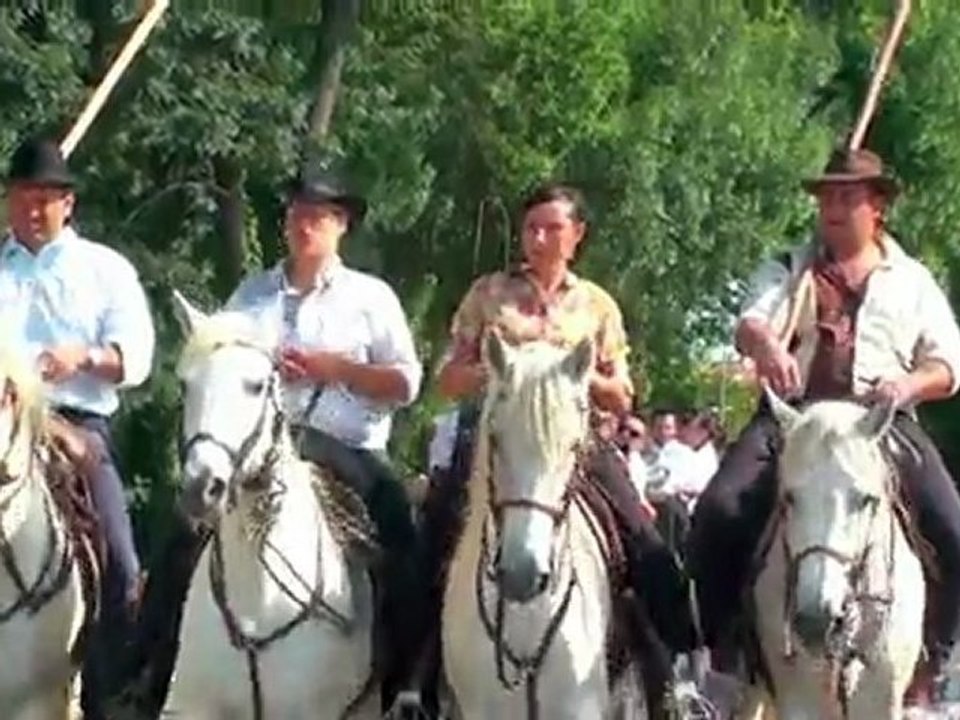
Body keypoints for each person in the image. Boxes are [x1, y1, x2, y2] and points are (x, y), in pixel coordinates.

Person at [687, 147, 960, 702]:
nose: (832, 208)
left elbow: (949, 366)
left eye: (847, 197)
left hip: (877, 425)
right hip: (794, 419)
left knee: (955, 529)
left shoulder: (911, 280)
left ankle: (934, 657)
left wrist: (906, 385)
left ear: (877, 207)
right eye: (826, 198)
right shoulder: (790, 268)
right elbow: (749, 323)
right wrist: (766, 347)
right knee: (715, 514)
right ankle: (729, 655)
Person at [428, 183, 702, 703]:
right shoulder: (489, 294)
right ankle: (414, 685)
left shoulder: (596, 304)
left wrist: (563, 375)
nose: (539, 237)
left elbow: (622, 393)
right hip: (496, 440)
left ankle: (674, 677)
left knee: (642, 538)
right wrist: (502, 367)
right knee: (432, 535)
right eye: (531, 227)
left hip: (577, 444)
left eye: (552, 228)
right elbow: (448, 378)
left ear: (576, 236)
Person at [224, 164, 424, 711]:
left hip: (348, 450)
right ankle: (149, 670)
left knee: (403, 544)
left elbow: (406, 382)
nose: (303, 225)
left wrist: (335, 369)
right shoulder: (252, 293)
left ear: (341, 226)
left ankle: (405, 684)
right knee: (185, 533)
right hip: (258, 447)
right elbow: (219, 360)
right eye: (295, 214)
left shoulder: (370, 297)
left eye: (317, 215)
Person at [0, 136, 155, 718]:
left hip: (72, 424)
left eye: (46, 198)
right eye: (22, 197)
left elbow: (135, 358)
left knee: (119, 562)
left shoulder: (105, 271)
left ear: (69, 205)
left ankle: (111, 691)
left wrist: (84, 358)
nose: (33, 209)